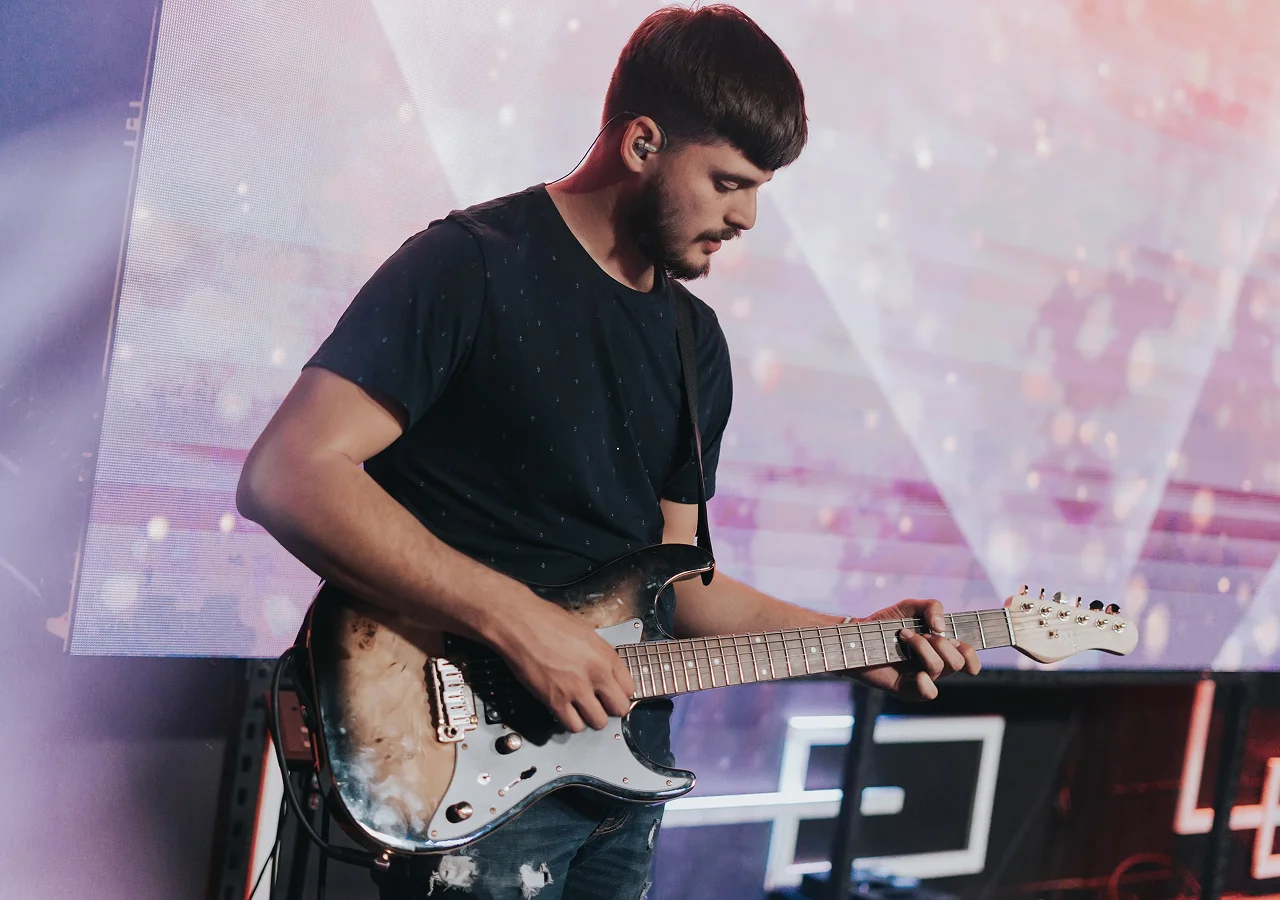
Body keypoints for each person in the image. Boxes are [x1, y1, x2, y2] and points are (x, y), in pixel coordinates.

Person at [236, 5, 981, 898]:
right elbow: (289, 474)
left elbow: (680, 585)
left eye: (759, 190)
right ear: (641, 143)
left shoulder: (695, 344)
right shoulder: (469, 266)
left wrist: (852, 642)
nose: (746, 215)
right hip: (459, 772)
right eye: (729, 182)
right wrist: (517, 620)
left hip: (618, 783)